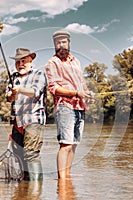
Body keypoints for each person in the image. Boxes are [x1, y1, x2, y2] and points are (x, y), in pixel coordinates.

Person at [45, 30, 93, 179]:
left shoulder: (76, 61)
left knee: (74, 144)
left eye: (63, 42)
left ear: (69, 43)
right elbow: (54, 89)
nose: (61, 45)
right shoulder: (52, 63)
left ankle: (67, 175)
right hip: (65, 107)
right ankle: (62, 180)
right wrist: (76, 93)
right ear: (54, 45)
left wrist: (87, 93)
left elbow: (81, 83)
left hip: (80, 106)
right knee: (65, 144)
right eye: (57, 43)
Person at [6, 48, 47, 181]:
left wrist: (19, 89)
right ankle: (25, 189)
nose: (21, 64)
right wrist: (12, 94)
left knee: (31, 154)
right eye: (18, 61)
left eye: (24, 60)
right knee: (19, 154)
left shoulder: (39, 74)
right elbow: (9, 98)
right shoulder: (13, 77)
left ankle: (35, 192)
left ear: (31, 61)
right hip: (17, 122)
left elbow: (34, 92)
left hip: (33, 120)